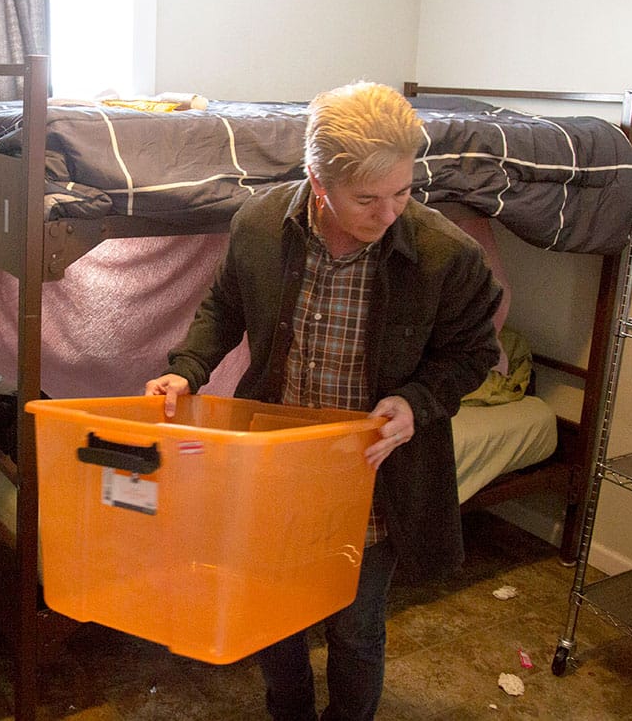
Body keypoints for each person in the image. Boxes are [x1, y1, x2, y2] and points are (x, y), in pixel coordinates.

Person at [144, 81, 502, 721]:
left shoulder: (448, 255)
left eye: (403, 192)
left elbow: (473, 355)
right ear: (317, 181)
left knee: (356, 630)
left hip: (369, 481)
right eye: (367, 199)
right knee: (274, 619)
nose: (390, 213)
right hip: (276, 467)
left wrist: (416, 401)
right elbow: (223, 309)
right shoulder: (257, 227)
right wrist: (187, 372)